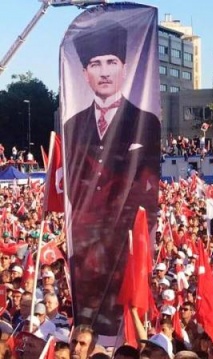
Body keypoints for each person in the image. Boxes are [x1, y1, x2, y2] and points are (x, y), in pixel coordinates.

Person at [63, 19, 160, 336]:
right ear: (84, 73)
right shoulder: (72, 126)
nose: (104, 71)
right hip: (89, 249)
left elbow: (148, 188)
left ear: (124, 67)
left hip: (125, 246)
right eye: (95, 63)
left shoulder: (146, 122)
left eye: (111, 62)